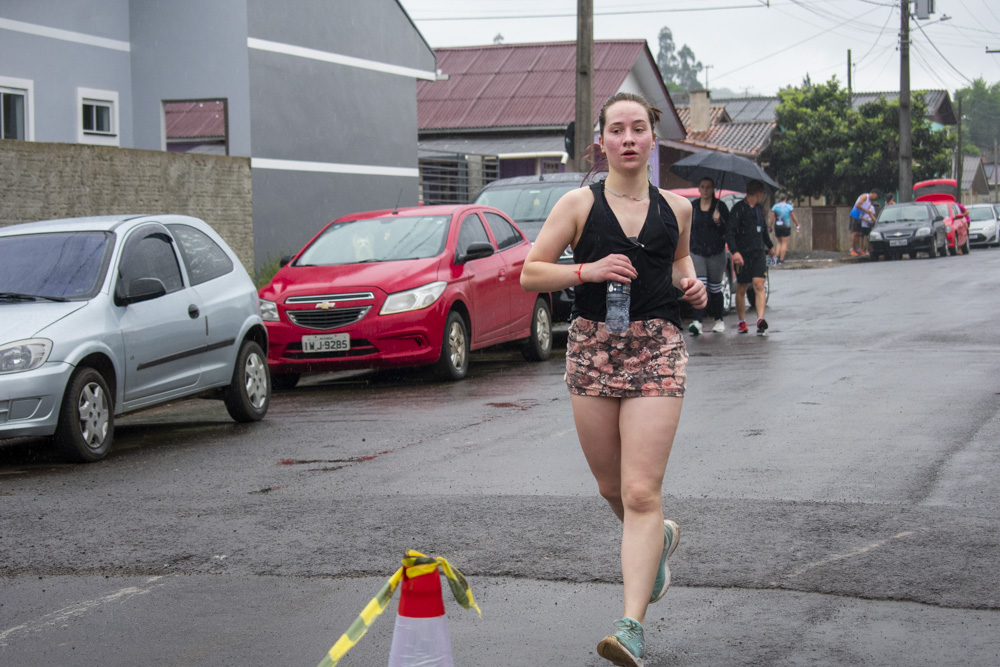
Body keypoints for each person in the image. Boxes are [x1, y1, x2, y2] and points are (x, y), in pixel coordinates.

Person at [520, 92, 706, 667]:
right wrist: (587, 269)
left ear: (653, 139)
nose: (628, 139)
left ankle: (630, 628)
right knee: (609, 488)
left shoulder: (676, 208)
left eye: (639, 129)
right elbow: (530, 272)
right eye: (617, 130)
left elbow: (678, 264)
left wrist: (692, 286)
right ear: (601, 141)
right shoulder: (580, 203)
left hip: (657, 348)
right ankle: (658, 546)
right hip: (593, 348)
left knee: (640, 491)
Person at [727, 180, 774, 335]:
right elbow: (730, 232)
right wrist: (735, 252)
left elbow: (764, 231)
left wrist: (770, 246)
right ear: (758, 193)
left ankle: (760, 319)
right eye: (761, 193)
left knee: (759, 284)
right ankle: (742, 321)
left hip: (759, 252)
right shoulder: (738, 209)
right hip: (742, 254)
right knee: (742, 287)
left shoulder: (760, 210)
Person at [688, 177, 730, 335]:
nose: (705, 190)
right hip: (697, 251)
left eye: (708, 187)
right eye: (702, 187)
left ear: (713, 189)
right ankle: (697, 321)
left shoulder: (720, 206)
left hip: (716, 253)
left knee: (715, 288)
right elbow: (687, 227)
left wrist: (719, 222)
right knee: (700, 286)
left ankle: (718, 320)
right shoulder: (693, 207)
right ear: (699, 189)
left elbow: (727, 229)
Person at [770, 193, 800, 264]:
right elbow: (793, 216)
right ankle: (781, 260)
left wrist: (770, 226)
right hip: (786, 226)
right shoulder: (788, 206)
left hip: (777, 226)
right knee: (784, 243)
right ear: (785, 199)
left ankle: (776, 258)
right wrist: (797, 224)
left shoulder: (775, 206)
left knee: (779, 242)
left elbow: (772, 218)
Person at [849, 189, 878, 257]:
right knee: (854, 232)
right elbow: (857, 205)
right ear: (873, 193)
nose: (876, 198)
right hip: (855, 215)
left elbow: (870, 213)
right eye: (876, 196)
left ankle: (859, 249)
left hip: (860, 217)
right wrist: (866, 211)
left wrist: (876, 221)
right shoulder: (865, 196)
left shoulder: (870, 202)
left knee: (859, 233)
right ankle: (851, 249)